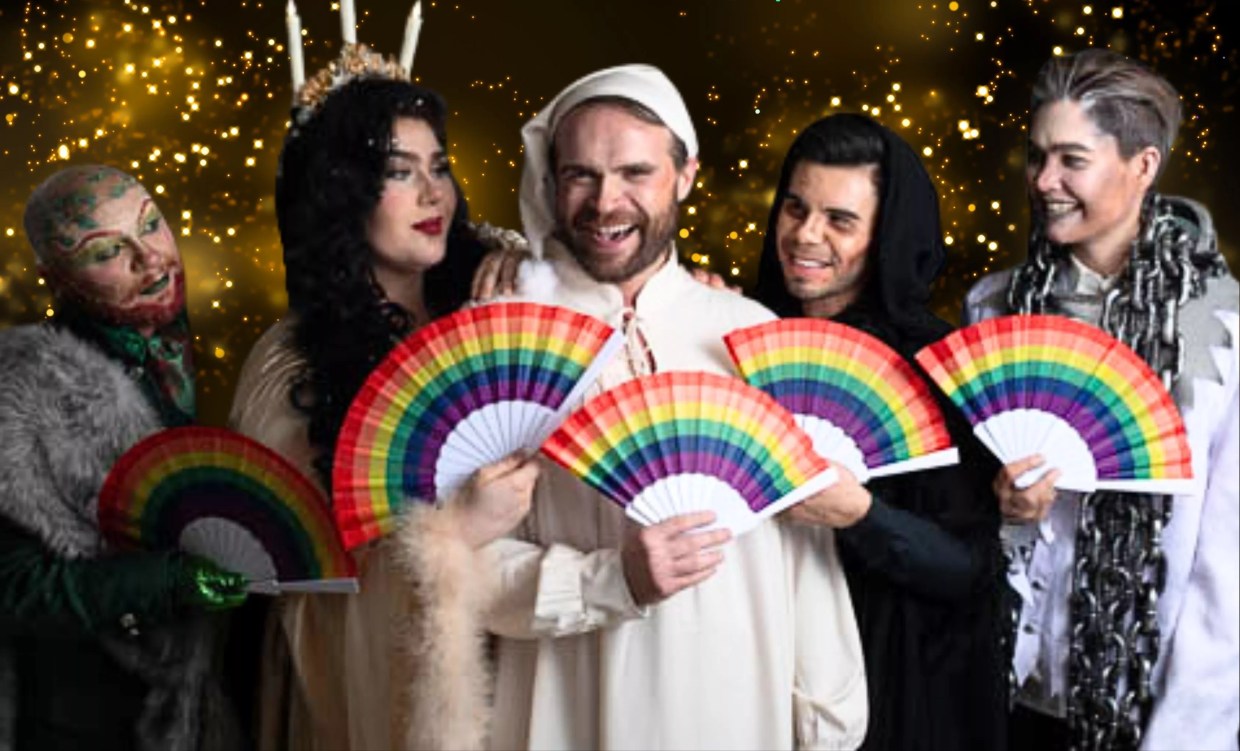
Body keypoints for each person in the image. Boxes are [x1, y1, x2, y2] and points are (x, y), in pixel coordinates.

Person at [481, 64, 867, 751]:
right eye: (581, 175)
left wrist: (827, 720)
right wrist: (610, 580)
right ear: (550, 181)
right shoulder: (498, 338)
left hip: (736, 708)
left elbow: (805, 553)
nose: (606, 203)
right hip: (565, 710)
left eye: (636, 172)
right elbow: (459, 570)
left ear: (685, 174)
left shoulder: (751, 332)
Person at [228, 42, 539, 751]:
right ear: (342, 194)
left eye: (439, 167)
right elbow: (308, 583)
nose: (435, 194)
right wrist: (454, 532)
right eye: (399, 173)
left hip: (526, 649)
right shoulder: (289, 365)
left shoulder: (493, 301)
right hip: (371, 675)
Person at [964, 49, 1239, 750]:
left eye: (1071, 159)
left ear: (1142, 166)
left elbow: (1224, 583)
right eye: (1036, 156)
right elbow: (953, 515)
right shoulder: (991, 307)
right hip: (997, 700)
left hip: (1146, 720)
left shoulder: (1226, 331)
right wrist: (1000, 509)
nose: (1043, 181)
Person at [747, 113, 1007, 751]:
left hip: (889, 685)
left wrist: (860, 514)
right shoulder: (742, 333)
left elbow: (968, 569)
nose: (806, 236)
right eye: (795, 208)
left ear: (886, 236)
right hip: (754, 663)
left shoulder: (941, 364)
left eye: (840, 220)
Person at [0, 164, 248, 751]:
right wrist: (164, 580)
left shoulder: (229, 353)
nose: (151, 259)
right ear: (55, 279)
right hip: (83, 720)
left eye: (151, 226)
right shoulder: (22, 392)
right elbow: (14, 590)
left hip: (209, 711)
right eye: (108, 250)